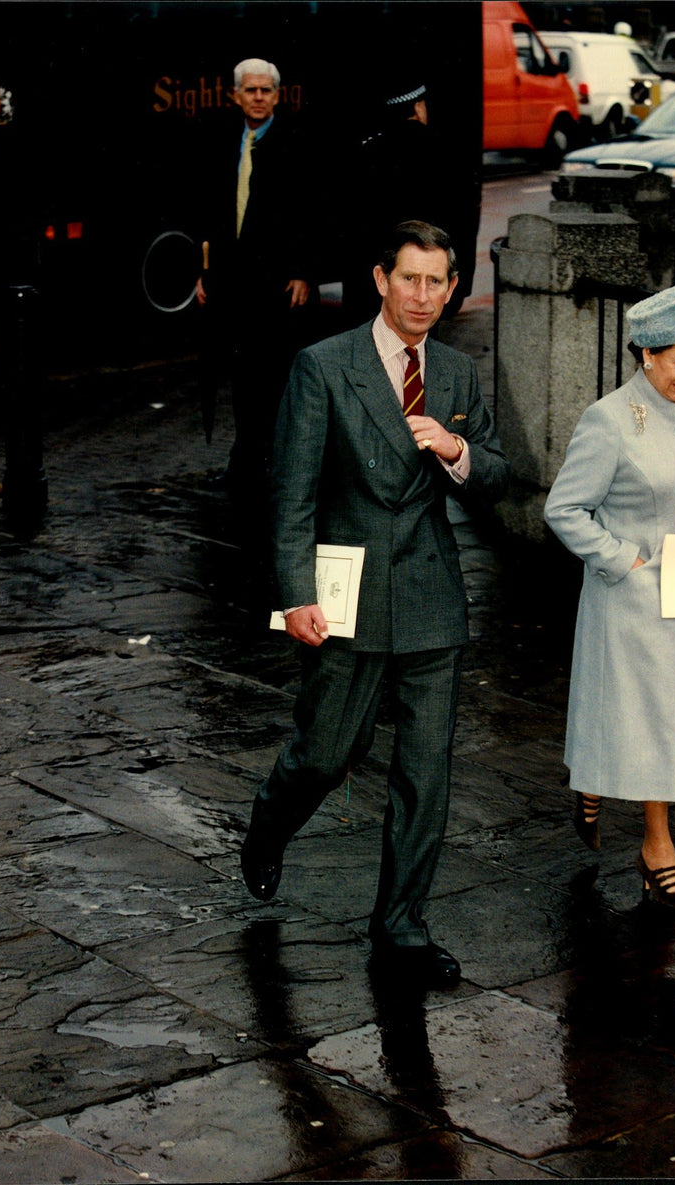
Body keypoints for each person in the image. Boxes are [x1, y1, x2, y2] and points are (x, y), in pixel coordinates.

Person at [240, 221, 510, 988]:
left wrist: (458, 452)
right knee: (325, 754)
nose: (423, 296)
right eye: (409, 279)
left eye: (437, 282)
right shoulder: (324, 367)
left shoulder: (455, 374)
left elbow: (497, 469)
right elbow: (289, 494)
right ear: (380, 280)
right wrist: (294, 595)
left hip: (430, 596)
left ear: (453, 288)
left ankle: (402, 929)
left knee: (426, 774)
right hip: (346, 593)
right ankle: (269, 826)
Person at [544, 251, 675, 915]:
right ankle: (657, 847)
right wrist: (622, 560)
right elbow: (563, 509)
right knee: (655, 722)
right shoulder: (609, 420)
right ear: (645, 354)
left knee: (667, 719)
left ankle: (598, 779)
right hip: (629, 597)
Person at [196, 57, 318, 500]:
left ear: (278, 95)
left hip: (278, 286)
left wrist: (305, 272)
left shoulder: (295, 142)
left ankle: (274, 464)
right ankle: (244, 462)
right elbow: (212, 212)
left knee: (276, 377)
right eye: (251, 90)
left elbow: (311, 211)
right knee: (242, 377)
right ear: (236, 95)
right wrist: (205, 273)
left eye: (267, 91)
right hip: (232, 284)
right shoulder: (225, 142)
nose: (259, 97)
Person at [340, 79, 465, 327]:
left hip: (375, 280)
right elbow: (458, 222)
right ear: (418, 107)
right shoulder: (445, 151)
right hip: (424, 280)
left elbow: (351, 222)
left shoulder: (367, 151)